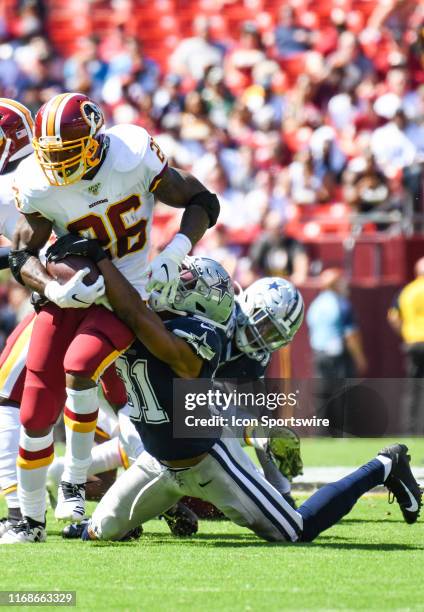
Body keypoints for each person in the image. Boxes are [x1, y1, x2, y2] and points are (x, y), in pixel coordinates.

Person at [53, 248, 421, 543]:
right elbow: (129, 311)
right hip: (159, 458)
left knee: (295, 529)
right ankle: (166, 505)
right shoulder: (164, 322)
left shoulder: (201, 336)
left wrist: (101, 260)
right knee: (97, 533)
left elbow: (139, 318)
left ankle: (385, 466)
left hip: (207, 455)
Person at [8, 91, 220, 538]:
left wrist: (177, 248)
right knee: (33, 409)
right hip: (74, 287)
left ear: (92, 142)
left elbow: (203, 200)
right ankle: (28, 519)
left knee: (82, 366)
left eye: (66, 153)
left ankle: (73, 484)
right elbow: (22, 254)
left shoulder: (131, 154)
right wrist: (51, 288)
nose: (56, 164)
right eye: (49, 155)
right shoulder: (37, 181)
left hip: (126, 291)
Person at [0, 98, 36, 536]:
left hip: (68, 297)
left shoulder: (12, 184)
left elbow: (29, 253)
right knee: (122, 402)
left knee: (7, 392)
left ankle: (16, 511)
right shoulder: (45, 169)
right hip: (121, 287)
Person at [306, 268, 367, 435]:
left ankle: (322, 434)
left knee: (322, 396)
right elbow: (351, 335)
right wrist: (360, 358)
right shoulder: (341, 304)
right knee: (344, 397)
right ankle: (345, 433)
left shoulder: (315, 304)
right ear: (335, 284)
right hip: (338, 357)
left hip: (319, 355)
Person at [388, 257, 424, 433]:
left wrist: (404, 332)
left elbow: (393, 316)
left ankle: (410, 430)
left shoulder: (407, 291)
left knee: (413, 387)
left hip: (413, 343)